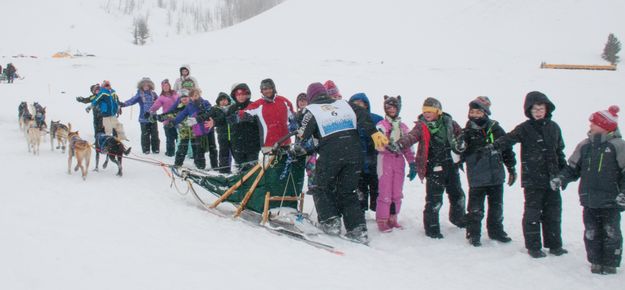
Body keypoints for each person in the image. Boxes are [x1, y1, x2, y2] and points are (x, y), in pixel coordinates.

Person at [293, 82, 388, 244]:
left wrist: (297, 148)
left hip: (331, 154)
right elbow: (364, 115)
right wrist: (373, 132)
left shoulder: (312, 110)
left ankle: (330, 222)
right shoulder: (344, 104)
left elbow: (302, 135)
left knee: (320, 187)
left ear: (310, 98)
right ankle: (357, 229)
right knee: (348, 191)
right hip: (354, 153)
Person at [490, 91, 568, 258]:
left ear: (547, 109)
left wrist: (564, 174)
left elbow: (559, 151)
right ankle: (533, 247)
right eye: (535, 109)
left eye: (541, 108)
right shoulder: (525, 128)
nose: (539, 112)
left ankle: (555, 245)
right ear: (529, 111)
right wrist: (493, 147)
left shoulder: (554, 127)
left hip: (552, 179)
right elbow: (508, 139)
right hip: (533, 179)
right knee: (532, 214)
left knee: (553, 213)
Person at [551, 105, 625, 274]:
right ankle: (595, 261)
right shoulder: (585, 145)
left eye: (594, 123)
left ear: (605, 126)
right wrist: (561, 178)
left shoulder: (619, 146)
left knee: (611, 232)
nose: (590, 126)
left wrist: (623, 193)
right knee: (591, 232)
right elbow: (572, 168)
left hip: (610, 201)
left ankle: (611, 262)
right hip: (589, 199)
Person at [396, 97, 467, 239]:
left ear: (438, 111)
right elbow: (411, 136)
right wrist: (399, 144)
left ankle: (458, 218)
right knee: (434, 200)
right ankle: (432, 227)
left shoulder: (450, 123)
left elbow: (462, 136)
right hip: (434, 166)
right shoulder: (421, 126)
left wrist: (462, 143)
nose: (427, 113)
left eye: (430, 111)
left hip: (451, 165)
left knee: (457, 194)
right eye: (425, 111)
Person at [460, 97, 517, 247]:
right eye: (472, 112)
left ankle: (496, 231)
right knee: (475, 209)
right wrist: (460, 148)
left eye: (478, 112)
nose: (475, 115)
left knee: (496, 207)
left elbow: (507, 149)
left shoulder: (496, 128)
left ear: (485, 113)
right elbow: (459, 151)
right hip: (477, 177)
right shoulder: (467, 131)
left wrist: (511, 168)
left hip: (496, 176)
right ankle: (473, 233)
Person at [375, 96, 415, 232]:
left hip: (398, 161)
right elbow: (378, 143)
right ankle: (382, 219)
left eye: (393, 107)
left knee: (397, 192)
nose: (391, 110)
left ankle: (393, 217)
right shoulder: (381, 125)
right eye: (388, 107)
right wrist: (387, 146)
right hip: (385, 160)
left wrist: (412, 163)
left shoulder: (403, 127)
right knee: (385, 190)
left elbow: (408, 147)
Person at [236, 78, 296, 151]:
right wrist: (238, 116)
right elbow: (244, 112)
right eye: (265, 89)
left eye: (269, 88)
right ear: (262, 91)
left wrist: (294, 122)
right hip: (269, 146)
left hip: (286, 143)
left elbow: (292, 115)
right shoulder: (258, 104)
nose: (267, 91)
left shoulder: (284, 101)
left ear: (273, 88)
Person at [349, 93, 384, 212]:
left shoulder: (376, 119)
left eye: (361, 103)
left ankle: (379, 212)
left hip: (374, 160)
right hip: (357, 161)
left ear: (366, 105)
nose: (358, 105)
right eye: (355, 103)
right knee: (360, 190)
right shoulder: (349, 121)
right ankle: (361, 211)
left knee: (376, 188)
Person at [226, 83, 261, 170]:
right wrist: (237, 118)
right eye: (238, 95)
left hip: (252, 146)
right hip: (237, 147)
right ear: (235, 96)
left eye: (243, 94)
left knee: (252, 172)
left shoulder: (254, 106)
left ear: (247, 95)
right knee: (240, 173)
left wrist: (251, 118)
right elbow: (227, 120)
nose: (241, 97)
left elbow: (261, 122)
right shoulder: (231, 108)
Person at [197, 92, 233, 173]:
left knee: (236, 152)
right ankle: (224, 170)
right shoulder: (215, 109)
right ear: (218, 101)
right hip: (222, 134)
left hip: (234, 135)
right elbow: (207, 115)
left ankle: (238, 168)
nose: (223, 101)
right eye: (221, 100)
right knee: (224, 152)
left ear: (228, 101)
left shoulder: (232, 108)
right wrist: (198, 118)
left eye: (225, 100)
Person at [122, 77, 160, 154]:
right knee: (145, 134)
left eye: (147, 85)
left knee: (155, 133)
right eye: (144, 85)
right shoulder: (139, 94)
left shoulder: (154, 94)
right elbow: (132, 100)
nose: (146, 86)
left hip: (153, 117)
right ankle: (146, 149)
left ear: (150, 86)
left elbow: (159, 102)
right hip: (143, 118)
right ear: (141, 86)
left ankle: (155, 148)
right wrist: (124, 104)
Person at [148, 79, 179, 157]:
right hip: (167, 120)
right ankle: (170, 153)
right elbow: (155, 106)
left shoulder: (175, 94)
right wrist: (149, 112)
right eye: (164, 86)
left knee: (179, 137)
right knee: (170, 138)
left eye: (167, 85)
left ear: (169, 86)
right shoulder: (161, 97)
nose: (166, 87)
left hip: (178, 119)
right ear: (162, 87)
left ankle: (180, 153)